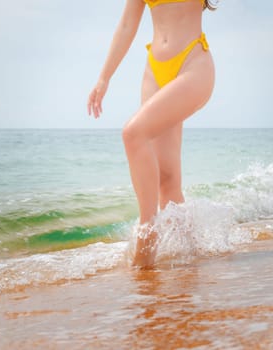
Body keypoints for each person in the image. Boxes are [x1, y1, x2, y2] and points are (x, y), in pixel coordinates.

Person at [87, 0, 216, 268]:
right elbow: (126, 24)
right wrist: (103, 78)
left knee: (133, 133)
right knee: (167, 181)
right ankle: (191, 257)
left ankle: (147, 236)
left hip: (193, 65)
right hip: (154, 71)